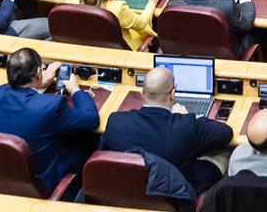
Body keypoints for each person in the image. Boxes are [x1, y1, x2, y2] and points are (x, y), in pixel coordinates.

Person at [100, 63, 234, 196]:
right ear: (173, 94)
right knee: (227, 152)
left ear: (142, 93)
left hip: (126, 193)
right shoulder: (186, 126)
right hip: (174, 196)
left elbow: (102, 155)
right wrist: (186, 116)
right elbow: (226, 134)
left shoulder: (115, 121)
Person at [0, 49, 99, 190]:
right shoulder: (51, 106)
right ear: (38, 72)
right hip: (40, 184)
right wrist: (75, 90)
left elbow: (10, 87)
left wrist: (40, 83)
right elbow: (91, 120)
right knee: (89, 139)